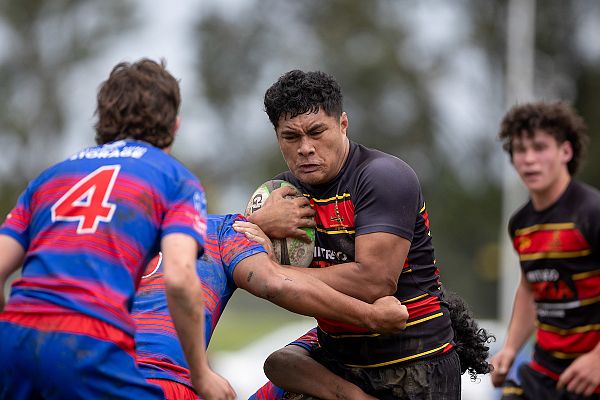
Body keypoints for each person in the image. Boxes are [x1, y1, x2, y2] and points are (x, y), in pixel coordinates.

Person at [239, 69, 492, 400]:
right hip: (340, 362)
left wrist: (277, 273)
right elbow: (234, 260)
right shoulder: (279, 194)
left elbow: (375, 282)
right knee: (280, 363)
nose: (305, 148)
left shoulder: (382, 177)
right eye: (290, 137)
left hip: (412, 363)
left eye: (317, 132)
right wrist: (255, 221)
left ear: (343, 124)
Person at [0, 59, 235, 400]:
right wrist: (201, 376)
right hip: (89, 344)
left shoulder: (50, 177)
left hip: (12, 341)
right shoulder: (175, 179)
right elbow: (180, 277)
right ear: (174, 124)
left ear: (103, 120)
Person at [132, 213, 409, 400]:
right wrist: (372, 316)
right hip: (164, 386)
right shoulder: (217, 231)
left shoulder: (95, 240)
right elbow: (275, 283)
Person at [491, 101, 600, 399]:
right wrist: (510, 349)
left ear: (565, 151)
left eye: (539, 147)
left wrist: (597, 359)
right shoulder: (521, 224)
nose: (529, 159)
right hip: (545, 370)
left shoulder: (592, 212)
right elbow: (530, 287)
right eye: (520, 150)